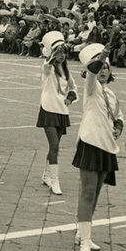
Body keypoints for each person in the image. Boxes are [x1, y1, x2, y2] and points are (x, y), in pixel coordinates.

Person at [72, 44, 124, 251]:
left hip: (107, 146)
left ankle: (82, 233)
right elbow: (92, 71)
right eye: (100, 66)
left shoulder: (111, 94)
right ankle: (85, 242)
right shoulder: (90, 87)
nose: (103, 70)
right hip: (90, 143)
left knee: (98, 192)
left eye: (107, 67)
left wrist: (119, 126)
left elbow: (118, 115)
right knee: (88, 192)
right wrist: (103, 54)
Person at [37, 31, 78, 196]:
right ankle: (55, 181)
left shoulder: (67, 72)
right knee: (54, 146)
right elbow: (46, 66)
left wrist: (70, 97)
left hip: (61, 111)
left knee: (54, 147)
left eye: (64, 52)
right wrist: (52, 54)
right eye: (59, 52)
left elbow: (74, 88)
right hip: (48, 109)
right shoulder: (48, 69)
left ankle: (47, 175)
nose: (62, 56)